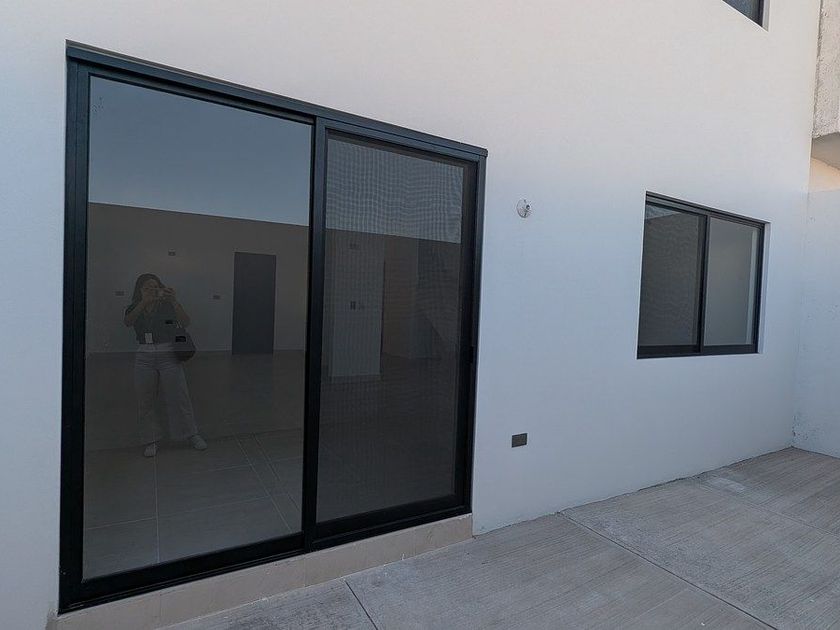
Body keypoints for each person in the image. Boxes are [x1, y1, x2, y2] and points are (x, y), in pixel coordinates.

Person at [124, 273, 207, 457]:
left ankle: (191, 434)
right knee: (145, 399)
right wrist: (144, 303)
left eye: (155, 286)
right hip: (144, 355)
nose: (152, 290)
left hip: (168, 352)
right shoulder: (134, 306)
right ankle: (150, 440)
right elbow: (128, 322)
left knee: (179, 395)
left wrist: (174, 301)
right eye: (147, 287)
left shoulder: (167, 305)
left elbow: (186, 322)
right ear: (139, 290)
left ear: (161, 288)